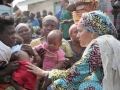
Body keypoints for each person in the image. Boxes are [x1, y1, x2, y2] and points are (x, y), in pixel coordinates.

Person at [26, 10, 120, 90]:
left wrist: (45, 72)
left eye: (80, 31)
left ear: (92, 31)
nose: (78, 35)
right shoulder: (109, 42)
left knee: (63, 83)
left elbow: (75, 74)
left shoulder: (98, 46)